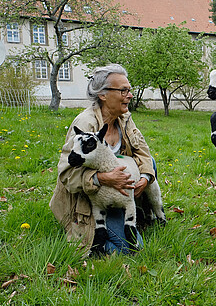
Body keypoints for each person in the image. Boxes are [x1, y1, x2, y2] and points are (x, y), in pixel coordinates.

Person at [50, 64, 156, 255]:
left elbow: (143, 153)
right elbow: (67, 175)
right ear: (103, 95)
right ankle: (89, 235)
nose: (130, 95)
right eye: (123, 90)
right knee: (131, 249)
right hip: (91, 200)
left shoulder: (123, 117)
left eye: (129, 90)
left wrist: (145, 178)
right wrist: (103, 178)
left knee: (151, 165)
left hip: (118, 192)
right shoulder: (85, 124)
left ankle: (136, 215)